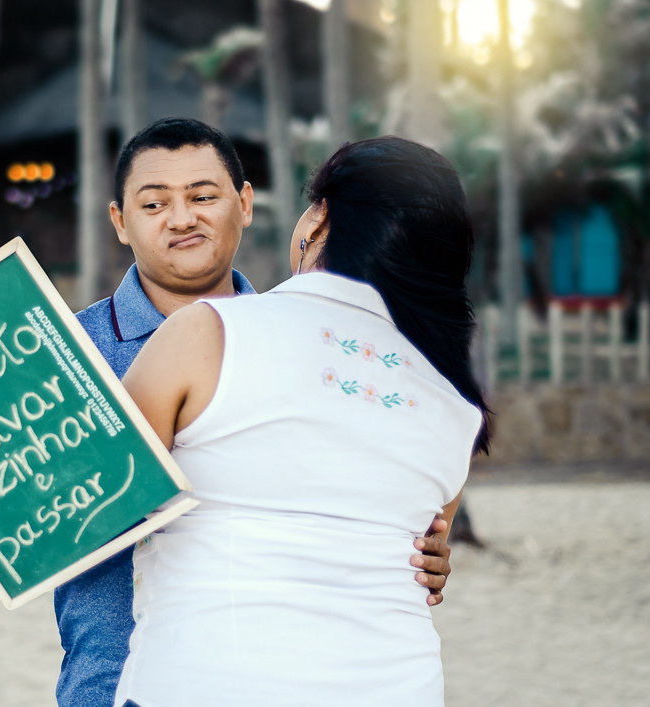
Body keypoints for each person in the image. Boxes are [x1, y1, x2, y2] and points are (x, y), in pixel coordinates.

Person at [0, 120, 458, 707]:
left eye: (204, 196)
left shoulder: (312, 348)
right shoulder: (57, 354)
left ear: (244, 204)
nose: (182, 217)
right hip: (108, 678)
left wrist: (420, 548)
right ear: (120, 221)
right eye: (155, 202)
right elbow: (16, 507)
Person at [113, 136, 489, 707]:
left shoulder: (207, 332)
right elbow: (421, 553)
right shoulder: (455, 407)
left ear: (318, 222)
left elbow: (81, 501)